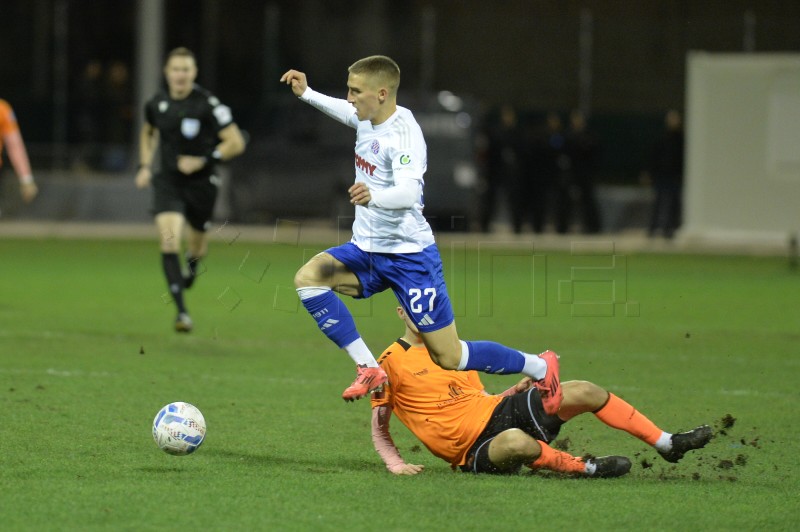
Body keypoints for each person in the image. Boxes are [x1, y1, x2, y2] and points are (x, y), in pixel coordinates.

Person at [280, 56, 561, 405]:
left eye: (356, 91)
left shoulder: (404, 134)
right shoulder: (368, 118)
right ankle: (369, 368)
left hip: (410, 258)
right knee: (309, 279)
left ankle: (539, 366)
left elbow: (409, 193)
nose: (350, 98)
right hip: (367, 250)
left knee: (450, 356)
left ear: (381, 93)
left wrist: (375, 195)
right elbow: (346, 113)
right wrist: (307, 93)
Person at [371, 306, 713, 476]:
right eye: (415, 307)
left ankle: (667, 443)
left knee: (582, 390)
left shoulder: (456, 350)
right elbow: (380, 425)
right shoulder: (389, 361)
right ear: (401, 311)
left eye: (430, 308)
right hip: (473, 451)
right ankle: (585, 468)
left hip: (498, 412)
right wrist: (395, 464)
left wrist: (512, 391)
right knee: (516, 441)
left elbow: (477, 402)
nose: (424, 314)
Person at [136, 47, 246, 332]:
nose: (180, 75)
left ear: (194, 73)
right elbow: (148, 131)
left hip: (202, 184)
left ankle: (192, 268)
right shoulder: (156, 103)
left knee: (197, 245)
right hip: (168, 182)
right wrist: (145, 165)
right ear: (167, 72)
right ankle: (182, 313)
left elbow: (235, 142)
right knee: (169, 239)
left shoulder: (208, 104)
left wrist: (203, 160)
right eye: (176, 69)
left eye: (186, 69)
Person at [643, 109, 684, 239]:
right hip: (661, 175)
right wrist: (649, 173)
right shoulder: (661, 138)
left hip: (675, 175)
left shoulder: (681, 140)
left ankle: (670, 228)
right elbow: (653, 156)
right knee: (659, 202)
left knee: (674, 203)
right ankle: (653, 228)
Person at [565, 109, 602, 234]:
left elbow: (594, 154)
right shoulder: (568, 135)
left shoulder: (589, 135)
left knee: (588, 201)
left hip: (586, 174)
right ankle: (565, 227)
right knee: (568, 201)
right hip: (572, 174)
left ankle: (593, 227)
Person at [0, 98, 38, 204]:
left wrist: (26, 178)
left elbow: (14, 145)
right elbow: (14, 145)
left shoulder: (2, 109)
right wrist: (26, 179)